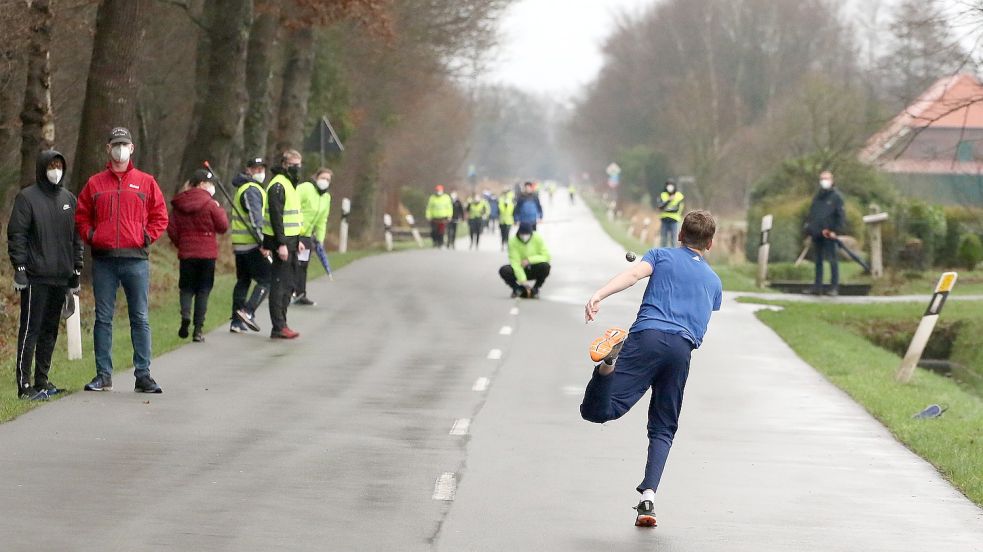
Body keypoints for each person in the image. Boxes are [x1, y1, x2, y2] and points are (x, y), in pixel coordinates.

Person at [580, 210, 722, 528]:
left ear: (680, 234)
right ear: (710, 243)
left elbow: (632, 275)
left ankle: (608, 363)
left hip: (647, 336)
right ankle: (648, 499)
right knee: (663, 427)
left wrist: (598, 295)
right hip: (681, 350)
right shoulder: (714, 281)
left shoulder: (660, 255)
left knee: (599, 411)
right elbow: (711, 305)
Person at [76, 127, 168, 393]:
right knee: (103, 318)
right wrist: (93, 235)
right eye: (115, 145)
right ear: (108, 149)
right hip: (104, 260)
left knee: (139, 317)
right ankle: (103, 375)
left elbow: (160, 215)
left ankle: (143, 375)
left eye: (124, 144)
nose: (119, 149)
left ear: (132, 148)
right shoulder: (95, 183)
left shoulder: (146, 182)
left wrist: (146, 237)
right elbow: (81, 216)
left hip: (136, 260)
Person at [7, 149, 83, 400]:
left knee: (50, 330)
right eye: (51, 165)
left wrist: (76, 271)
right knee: (31, 330)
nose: (55, 170)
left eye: (59, 165)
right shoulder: (27, 198)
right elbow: (17, 235)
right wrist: (19, 269)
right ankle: (24, 385)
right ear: (42, 168)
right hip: (35, 276)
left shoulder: (69, 199)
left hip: (60, 276)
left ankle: (42, 380)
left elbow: (76, 238)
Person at [167, 169, 228, 343]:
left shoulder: (179, 204)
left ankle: (185, 315)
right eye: (211, 184)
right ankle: (198, 330)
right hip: (207, 253)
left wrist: (182, 242)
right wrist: (219, 209)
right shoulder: (210, 204)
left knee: (186, 288)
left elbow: (171, 228)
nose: (212, 187)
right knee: (203, 290)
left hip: (187, 253)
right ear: (202, 184)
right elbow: (223, 226)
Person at [263, 149, 305, 339]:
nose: (298, 168)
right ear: (285, 164)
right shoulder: (278, 185)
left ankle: (283, 323)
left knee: (289, 284)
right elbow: (276, 218)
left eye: (299, 164)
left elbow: (292, 217)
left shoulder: (290, 184)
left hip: (291, 241)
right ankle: (278, 326)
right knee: (279, 284)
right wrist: (281, 244)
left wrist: (297, 242)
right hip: (281, 243)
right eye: (294, 165)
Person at [230, 157, 271, 333]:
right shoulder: (252, 189)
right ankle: (248, 311)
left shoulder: (243, 188)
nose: (259, 172)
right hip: (252, 243)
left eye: (261, 168)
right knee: (267, 280)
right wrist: (264, 241)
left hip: (240, 244)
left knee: (243, 281)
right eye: (256, 168)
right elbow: (256, 219)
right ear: (248, 170)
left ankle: (236, 321)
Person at [293, 168, 332, 306]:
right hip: (295, 231)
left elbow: (322, 220)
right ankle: (286, 293)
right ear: (316, 177)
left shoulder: (326, 197)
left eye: (328, 180)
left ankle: (301, 294)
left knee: (303, 265)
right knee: (292, 264)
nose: (325, 181)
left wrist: (320, 239)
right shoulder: (305, 188)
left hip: (307, 235)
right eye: (323, 178)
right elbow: (293, 205)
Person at [804, 170, 845, 296]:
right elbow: (813, 214)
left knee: (832, 260)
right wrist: (810, 229)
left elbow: (841, 216)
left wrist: (835, 231)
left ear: (832, 180)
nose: (824, 181)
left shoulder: (836, 197)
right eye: (822, 179)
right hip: (817, 233)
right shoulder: (817, 196)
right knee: (818, 261)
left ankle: (834, 287)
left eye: (826, 179)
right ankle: (817, 286)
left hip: (829, 233)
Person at [498, 222, 550, 298]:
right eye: (522, 234)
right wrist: (523, 281)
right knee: (504, 270)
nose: (524, 236)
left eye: (527, 234)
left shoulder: (537, 238)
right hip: (519, 268)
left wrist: (529, 260)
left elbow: (546, 256)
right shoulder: (513, 242)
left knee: (546, 266)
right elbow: (515, 262)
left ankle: (536, 289)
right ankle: (518, 289)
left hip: (533, 267)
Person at [658, 180, 684, 248]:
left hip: (674, 220)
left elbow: (677, 209)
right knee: (663, 239)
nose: (670, 187)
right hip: (664, 220)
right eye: (668, 185)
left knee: (674, 240)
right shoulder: (663, 195)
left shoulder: (679, 196)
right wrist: (669, 200)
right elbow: (660, 207)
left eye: (671, 185)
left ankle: (673, 256)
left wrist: (666, 209)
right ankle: (662, 255)